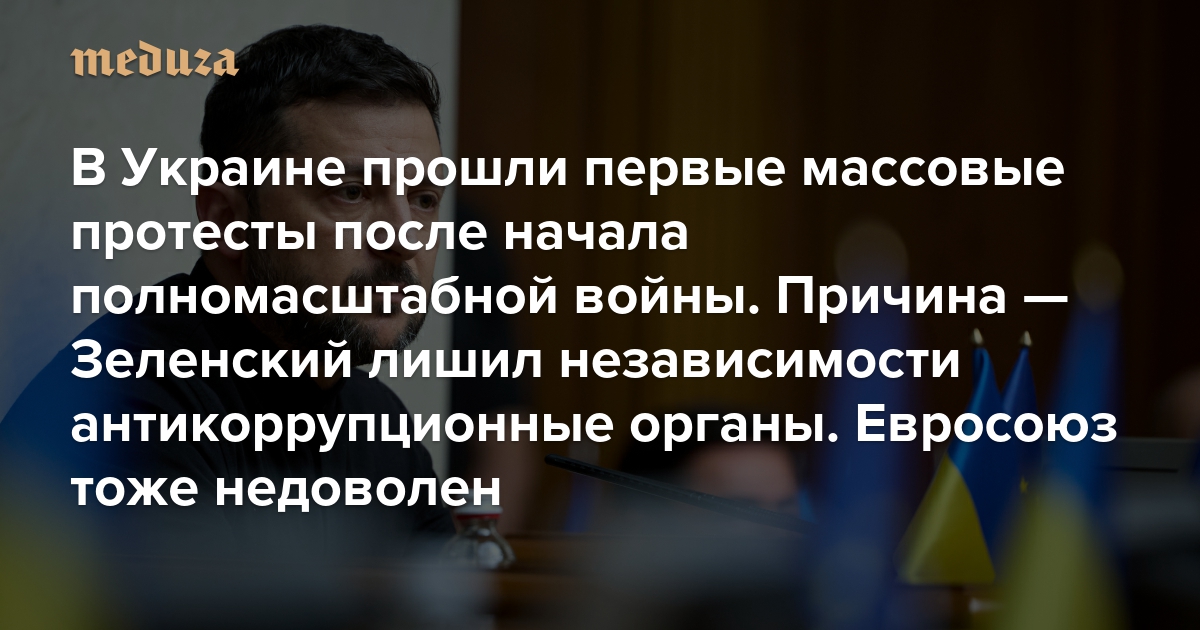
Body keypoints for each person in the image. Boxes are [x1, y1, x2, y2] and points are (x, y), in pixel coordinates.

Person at [0, 25, 454, 560]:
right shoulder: (123, 405)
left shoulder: (378, 423)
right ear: (227, 220)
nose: (404, 239)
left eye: (424, 199)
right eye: (351, 193)